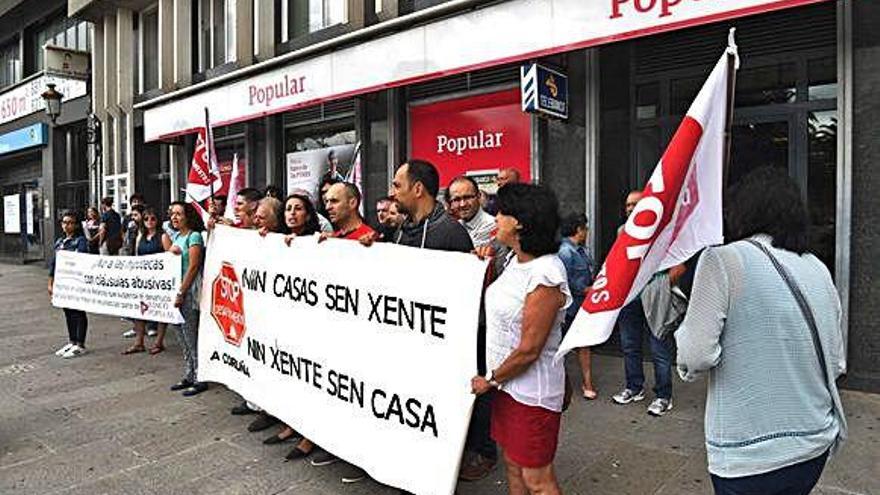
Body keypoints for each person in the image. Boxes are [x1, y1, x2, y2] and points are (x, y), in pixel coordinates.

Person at [676, 167, 847, 495]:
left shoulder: (722, 261)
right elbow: (837, 362)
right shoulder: (817, 267)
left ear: (744, 210)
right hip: (814, 445)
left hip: (748, 454)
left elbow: (695, 356)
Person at [387, 161, 498, 480]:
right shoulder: (403, 229)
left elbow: (468, 289)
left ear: (417, 188)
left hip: (459, 333)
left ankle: (482, 450)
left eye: (398, 184)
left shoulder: (449, 231)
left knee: (471, 391)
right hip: (422, 331)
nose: (393, 191)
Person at [472, 183, 570, 495]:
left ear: (521, 222)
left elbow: (529, 349)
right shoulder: (517, 260)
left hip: (530, 393)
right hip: (508, 388)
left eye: (501, 212)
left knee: (537, 481)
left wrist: (490, 379)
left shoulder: (546, 274)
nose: (495, 218)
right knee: (514, 468)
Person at [287, 183, 375, 485]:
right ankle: (340, 447)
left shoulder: (368, 238)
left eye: (335, 201)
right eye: (326, 201)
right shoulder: (332, 239)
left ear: (353, 202)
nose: (329, 206)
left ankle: (366, 458)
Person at [611, 190, 674, 417]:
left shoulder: (663, 232)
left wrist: (658, 287)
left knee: (659, 347)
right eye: (627, 205)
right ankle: (634, 387)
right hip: (629, 298)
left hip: (654, 297)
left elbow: (678, 266)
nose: (630, 209)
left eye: (634, 205)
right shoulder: (622, 231)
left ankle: (663, 396)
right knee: (629, 345)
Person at [167, 201, 207, 397]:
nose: (174, 217)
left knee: (191, 335)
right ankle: (189, 372)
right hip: (175, 291)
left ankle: (201, 376)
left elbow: (193, 267)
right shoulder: (176, 236)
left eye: (179, 214)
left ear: (188, 216)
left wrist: (182, 292)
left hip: (188, 292)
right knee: (180, 334)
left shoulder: (194, 236)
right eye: (172, 214)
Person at [557, 213, 598, 400]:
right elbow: (563, 279)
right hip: (569, 307)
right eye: (585, 228)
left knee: (584, 344)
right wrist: (584, 289)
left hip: (582, 306)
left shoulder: (583, 251)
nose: (587, 232)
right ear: (579, 229)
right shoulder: (565, 252)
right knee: (560, 346)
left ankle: (587, 383)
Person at [121, 207, 168, 356]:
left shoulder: (163, 236)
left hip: (159, 279)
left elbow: (169, 257)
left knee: (160, 310)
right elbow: (136, 255)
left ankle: (159, 342)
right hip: (143, 278)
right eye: (146, 218)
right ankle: (139, 342)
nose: (149, 222)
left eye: (152, 218)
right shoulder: (141, 235)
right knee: (139, 309)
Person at [48, 211, 90, 359]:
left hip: (75, 282)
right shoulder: (60, 242)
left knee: (78, 312)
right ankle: (72, 341)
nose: (67, 225)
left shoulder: (80, 241)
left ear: (76, 225)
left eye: (70, 222)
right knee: (68, 312)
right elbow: (53, 264)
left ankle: (80, 343)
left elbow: (82, 258)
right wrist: (50, 282)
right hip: (62, 282)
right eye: (65, 222)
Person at [448, 176, 496, 248]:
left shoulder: (491, 225)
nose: (462, 204)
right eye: (457, 199)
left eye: (467, 197)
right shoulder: (457, 225)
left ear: (479, 196)